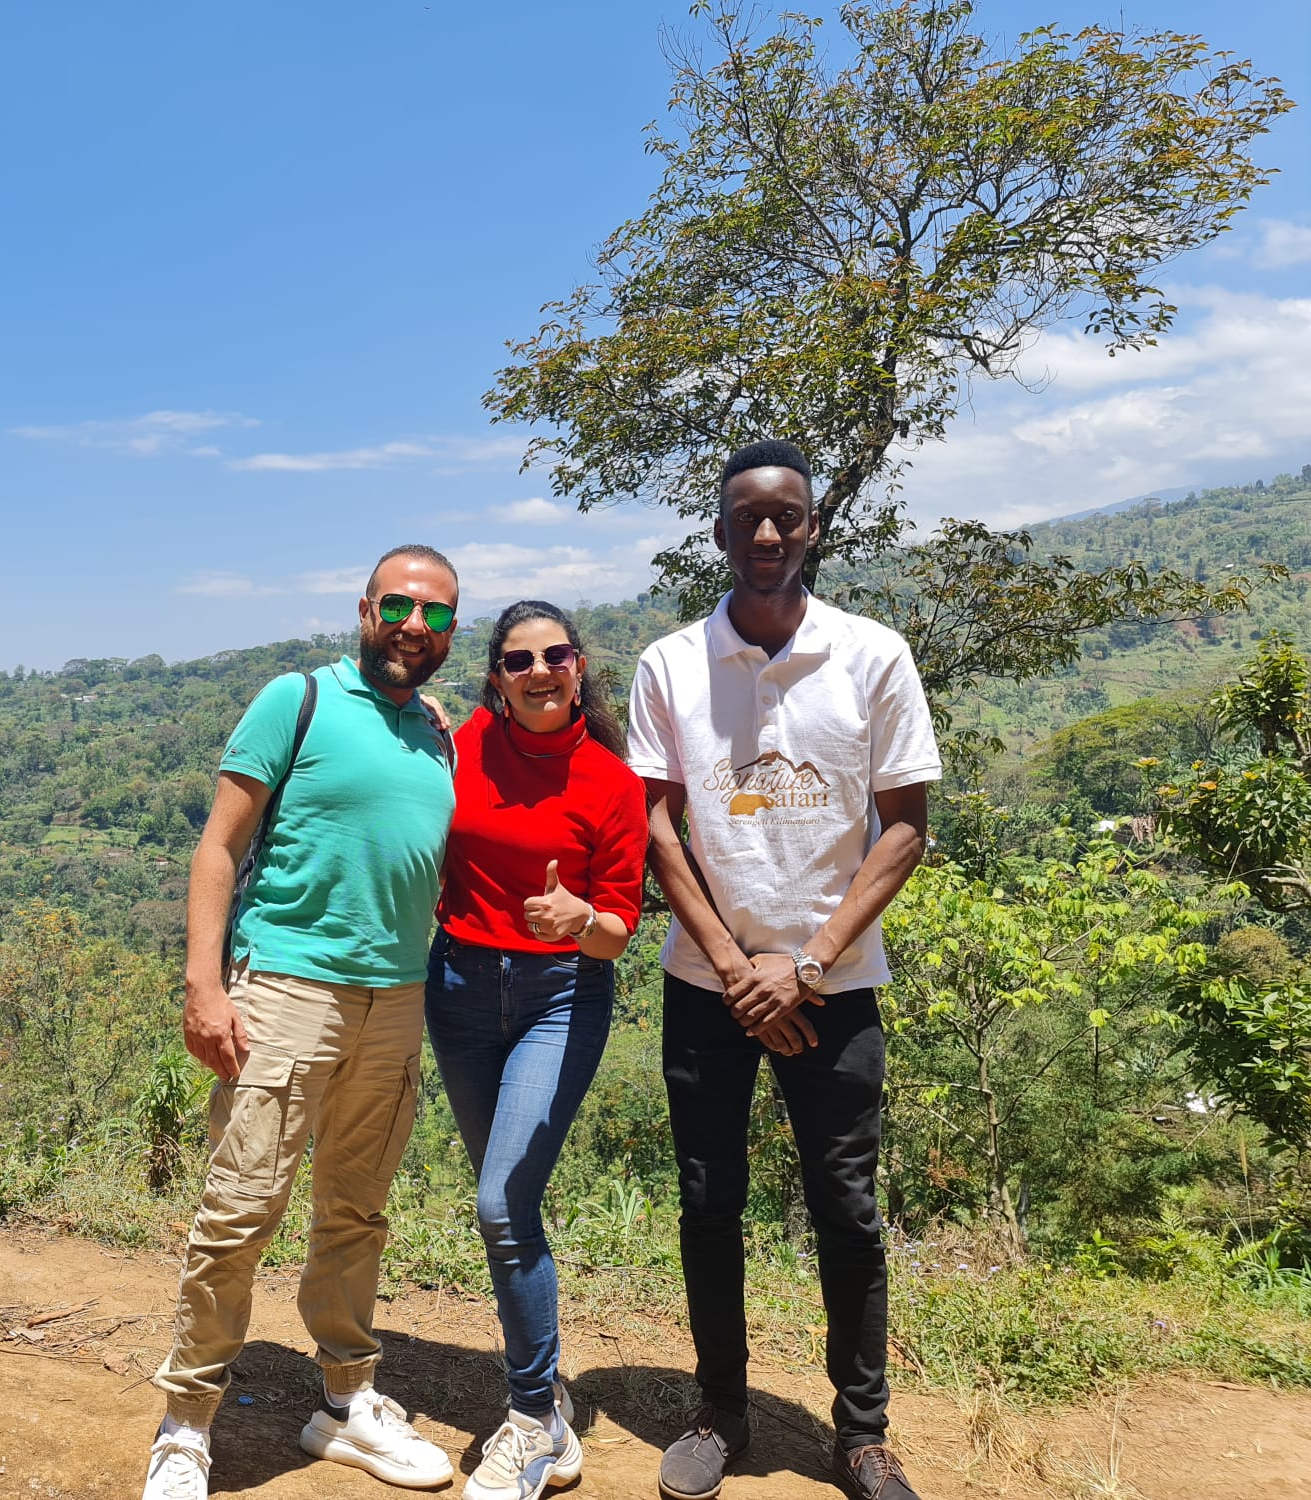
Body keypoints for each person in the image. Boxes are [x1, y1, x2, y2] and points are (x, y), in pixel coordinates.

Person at [626, 440, 939, 1500]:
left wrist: (800, 968)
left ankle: (859, 1434)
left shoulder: (871, 655)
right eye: (745, 517)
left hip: (833, 985)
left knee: (843, 1206)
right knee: (708, 1201)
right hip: (703, 983)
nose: (765, 533)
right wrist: (730, 963)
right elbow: (655, 821)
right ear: (718, 534)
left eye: (786, 516)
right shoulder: (670, 663)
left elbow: (902, 829)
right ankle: (720, 1412)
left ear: (810, 530)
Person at [143, 544, 464, 1500]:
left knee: (356, 1212)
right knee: (241, 1212)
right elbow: (218, 847)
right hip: (285, 988)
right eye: (399, 606)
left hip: (397, 997)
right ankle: (186, 1422)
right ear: (364, 607)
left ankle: (346, 1402)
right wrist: (206, 987)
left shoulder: (436, 734)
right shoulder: (299, 698)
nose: (416, 626)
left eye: (437, 615)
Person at [426, 600, 646, 1500]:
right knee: (509, 1213)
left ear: (580, 665)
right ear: (496, 679)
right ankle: (545, 1396)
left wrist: (578, 918)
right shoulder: (464, 742)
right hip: (460, 990)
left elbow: (620, 930)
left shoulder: (611, 782)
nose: (540, 671)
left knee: (500, 1200)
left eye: (556, 654)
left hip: (561, 996)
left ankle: (531, 1422)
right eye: (520, 661)